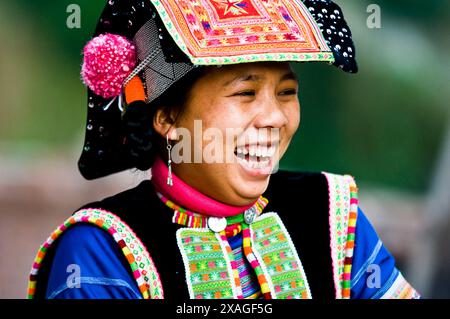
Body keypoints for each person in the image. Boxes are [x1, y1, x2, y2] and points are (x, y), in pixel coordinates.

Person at [27, 0, 420, 299]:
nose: (274, 118)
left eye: (286, 92)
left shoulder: (333, 216)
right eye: (245, 93)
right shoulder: (100, 249)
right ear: (165, 116)